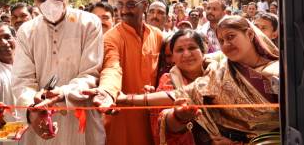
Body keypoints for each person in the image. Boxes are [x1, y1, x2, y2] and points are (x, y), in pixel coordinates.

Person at [117, 16, 280, 144]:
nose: (226, 44)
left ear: (250, 34)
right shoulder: (220, 72)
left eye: (231, 37)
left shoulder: (282, 70)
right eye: (222, 41)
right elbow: (177, 95)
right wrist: (126, 99)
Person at [12, 0, 105, 144]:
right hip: (40, 117)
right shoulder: (27, 31)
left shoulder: (89, 23)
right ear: (35, 0)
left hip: (79, 117)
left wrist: (64, 93)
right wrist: (33, 108)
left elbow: (90, 73)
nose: (50, 2)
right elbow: (22, 80)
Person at [83, 0, 163, 145]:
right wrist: (107, 91)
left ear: (145, 5)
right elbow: (112, 67)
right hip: (122, 118)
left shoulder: (157, 35)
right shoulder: (112, 38)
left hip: (152, 117)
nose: (124, 10)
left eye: (131, 5)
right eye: (120, 5)